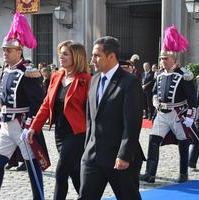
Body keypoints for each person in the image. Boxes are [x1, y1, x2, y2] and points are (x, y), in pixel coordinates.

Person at [0, 12, 49, 200]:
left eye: (8, 50)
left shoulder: (29, 73)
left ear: (19, 52)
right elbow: (4, 94)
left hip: (22, 125)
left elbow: (37, 102)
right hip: (6, 125)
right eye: (4, 50)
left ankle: (39, 197)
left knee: (32, 166)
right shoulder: (6, 70)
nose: (5, 53)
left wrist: (29, 124)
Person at [78, 36, 144, 200]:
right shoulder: (93, 80)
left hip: (118, 159)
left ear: (111, 56)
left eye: (96, 55)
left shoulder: (129, 82)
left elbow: (132, 123)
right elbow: (90, 118)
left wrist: (124, 155)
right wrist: (87, 148)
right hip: (92, 157)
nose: (92, 60)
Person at [27, 40, 91, 200]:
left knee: (61, 172)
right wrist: (34, 127)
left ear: (76, 56)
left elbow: (93, 110)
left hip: (78, 133)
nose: (61, 57)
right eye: (60, 53)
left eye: (65, 54)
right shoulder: (56, 76)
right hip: (60, 134)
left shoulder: (85, 79)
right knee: (74, 171)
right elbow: (46, 103)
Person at [140, 25, 197, 183]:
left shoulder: (183, 75)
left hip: (178, 114)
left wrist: (190, 117)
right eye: (160, 58)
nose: (162, 60)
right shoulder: (159, 75)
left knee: (183, 143)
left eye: (165, 58)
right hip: (162, 114)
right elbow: (154, 93)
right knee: (153, 141)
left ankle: (183, 173)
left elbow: (193, 99)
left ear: (174, 60)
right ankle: (150, 173)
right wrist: (155, 101)